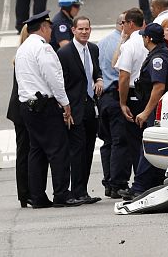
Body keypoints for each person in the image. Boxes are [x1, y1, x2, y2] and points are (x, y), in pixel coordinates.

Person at [15, 11, 86, 208]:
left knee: (36, 151)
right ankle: (61, 194)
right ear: (43, 28)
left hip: (27, 105)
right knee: (58, 150)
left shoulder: (23, 49)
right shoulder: (43, 48)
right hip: (45, 105)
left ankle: (37, 196)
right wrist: (65, 103)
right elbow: (53, 78)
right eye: (49, 29)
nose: (51, 33)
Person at [125, 23, 168, 199]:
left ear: (148, 39)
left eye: (143, 36)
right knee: (158, 146)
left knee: (149, 145)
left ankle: (139, 187)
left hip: (158, 111)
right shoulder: (161, 53)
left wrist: (146, 112)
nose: (142, 38)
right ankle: (155, 183)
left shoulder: (158, 59)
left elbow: (158, 87)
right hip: (161, 109)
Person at [56, 16, 103, 204]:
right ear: (73, 30)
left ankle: (83, 190)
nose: (84, 32)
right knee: (77, 150)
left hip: (90, 106)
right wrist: (64, 107)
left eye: (87, 29)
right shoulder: (64, 52)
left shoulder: (93, 48)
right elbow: (60, 82)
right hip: (73, 108)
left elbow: (95, 71)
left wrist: (99, 79)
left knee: (89, 149)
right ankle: (77, 191)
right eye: (80, 29)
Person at [113, 8, 148, 199]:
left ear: (130, 24)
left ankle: (139, 184)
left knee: (135, 143)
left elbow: (124, 76)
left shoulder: (130, 45)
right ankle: (149, 181)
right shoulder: (149, 42)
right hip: (149, 96)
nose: (123, 26)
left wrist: (122, 102)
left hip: (134, 96)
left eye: (124, 23)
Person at [97, 13, 130, 198]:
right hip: (118, 95)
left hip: (104, 98)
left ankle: (109, 182)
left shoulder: (102, 43)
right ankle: (118, 183)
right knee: (121, 141)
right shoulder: (125, 44)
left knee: (108, 142)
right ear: (124, 24)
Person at [8, 25, 31, 207]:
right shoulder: (27, 54)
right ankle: (25, 192)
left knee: (25, 151)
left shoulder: (21, 54)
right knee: (25, 151)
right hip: (22, 110)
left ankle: (25, 192)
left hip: (18, 109)